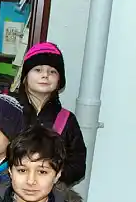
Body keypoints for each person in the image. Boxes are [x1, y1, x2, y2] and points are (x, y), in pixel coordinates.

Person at [14, 42, 86, 186]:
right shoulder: (8, 109)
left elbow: (78, 165)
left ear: (59, 80)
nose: (45, 75)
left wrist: (50, 175)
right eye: (38, 70)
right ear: (25, 76)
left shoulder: (67, 119)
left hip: (50, 198)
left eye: (52, 71)